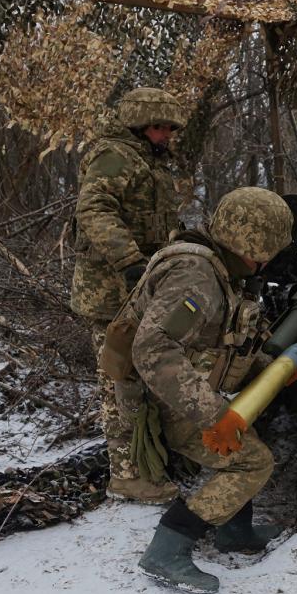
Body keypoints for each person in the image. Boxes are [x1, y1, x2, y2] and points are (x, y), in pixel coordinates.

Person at [103, 187, 295, 594]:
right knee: (252, 462)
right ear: (250, 247)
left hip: (181, 390)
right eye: (267, 252)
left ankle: (234, 531)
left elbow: (222, 342)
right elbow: (153, 350)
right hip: (161, 400)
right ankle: (166, 550)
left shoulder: (218, 268)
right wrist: (214, 415)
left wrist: (271, 370)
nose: (269, 261)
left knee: (245, 436)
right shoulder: (196, 276)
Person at [71, 87, 187, 504]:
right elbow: (93, 209)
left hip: (142, 289)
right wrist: (130, 261)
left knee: (149, 376)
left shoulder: (148, 160)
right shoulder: (115, 156)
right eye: (159, 127)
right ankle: (126, 475)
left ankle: (153, 458)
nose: (166, 135)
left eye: (169, 128)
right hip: (110, 293)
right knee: (118, 382)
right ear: (138, 125)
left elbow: (156, 220)